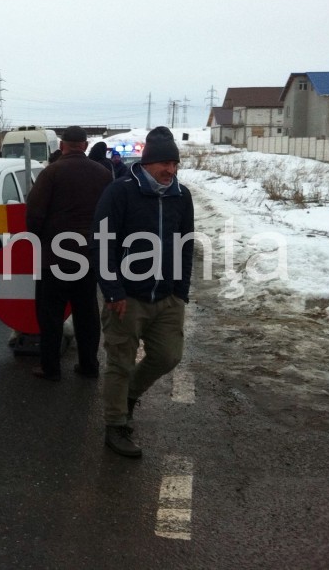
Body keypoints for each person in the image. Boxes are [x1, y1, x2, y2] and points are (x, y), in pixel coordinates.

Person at [91, 126, 194, 458]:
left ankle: (129, 396)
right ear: (148, 162)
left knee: (168, 356)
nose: (171, 170)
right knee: (119, 362)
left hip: (167, 297)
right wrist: (112, 290)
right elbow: (102, 242)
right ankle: (116, 425)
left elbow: (186, 244)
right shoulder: (120, 191)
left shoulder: (181, 195)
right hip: (127, 297)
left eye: (174, 164)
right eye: (165, 163)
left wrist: (180, 291)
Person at [26, 126, 112, 381]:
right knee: (87, 313)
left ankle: (50, 368)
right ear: (85, 145)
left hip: (54, 257)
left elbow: (34, 214)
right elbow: (110, 214)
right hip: (87, 257)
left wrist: (40, 240)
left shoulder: (51, 172)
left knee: (50, 315)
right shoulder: (103, 174)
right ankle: (89, 365)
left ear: (62, 145)